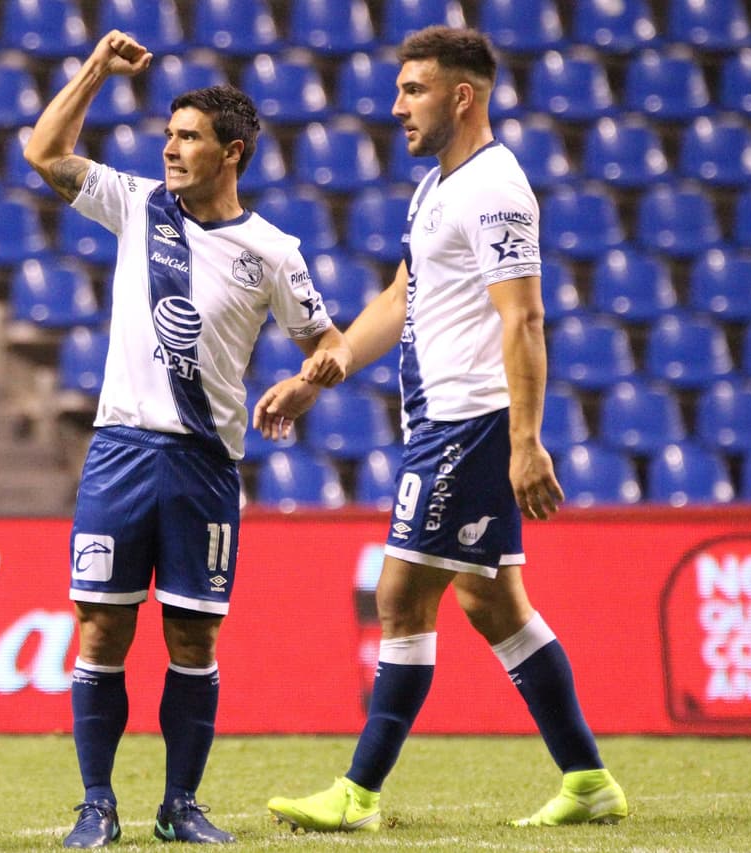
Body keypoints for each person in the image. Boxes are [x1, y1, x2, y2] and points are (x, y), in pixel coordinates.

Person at [256, 26, 628, 832]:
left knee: (400, 595)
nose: (396, 108)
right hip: (443, 418)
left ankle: (356, 793)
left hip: (470, 422)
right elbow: (401, 296)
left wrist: (526, 439)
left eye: (412, 90)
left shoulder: (495, 188)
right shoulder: (438, 187)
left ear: (462, 96)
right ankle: (589, 778)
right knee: (491, 602)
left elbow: (523, 318)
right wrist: (323, 370)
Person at [23, 30, 347, 848]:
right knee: (101, 628)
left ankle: (180, 803)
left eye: (188, 137)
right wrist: (94, 67)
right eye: (167, 134)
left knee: (193, 637)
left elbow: (331, 342)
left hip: (205, 463)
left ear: (230, 152)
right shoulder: (137, 205)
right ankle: (96, 802)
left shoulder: (272, 252)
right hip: (123, 450)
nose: (169, 147)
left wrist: (307, 385)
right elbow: (43, 150)